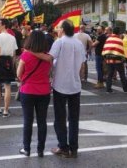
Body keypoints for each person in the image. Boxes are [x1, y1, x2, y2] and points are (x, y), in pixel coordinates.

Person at [34, 20, 86, 158]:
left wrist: (31, 52)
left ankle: (63, 147)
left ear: (62, 29)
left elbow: (49, 59)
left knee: (60, 118)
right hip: (75, 86)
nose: (56, 29)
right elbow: (82, 65)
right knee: (74, 119)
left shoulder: (60, 42)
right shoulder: (78, 43)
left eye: (58, 27)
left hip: (60, 86)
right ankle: (74, 149)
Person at [17, 31, 51, 158]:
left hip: (28, 91)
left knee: (28, 121)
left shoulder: (25, 56)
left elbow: (19, 74)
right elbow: (49, 72)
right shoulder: (48, 57)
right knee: (42, 121)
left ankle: (26, 149)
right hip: (44, 91)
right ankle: (40, 150)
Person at [0, 18, 18, 117]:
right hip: (9, 61)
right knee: (7, 86)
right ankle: (6, 110)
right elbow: (14, 54)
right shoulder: (12, 37)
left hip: (0, 60)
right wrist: (13, 66)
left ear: (4, 25)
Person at [102, 27, 127, 93]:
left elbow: (105, 49)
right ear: (119, 33)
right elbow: (122, 51)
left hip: (109, 60)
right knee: (122, 74)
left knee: (109, 75)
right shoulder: (120, 40)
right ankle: (125, 89)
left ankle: (108, 89)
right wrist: (124, 60)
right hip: (118, 61)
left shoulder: (108, 39)